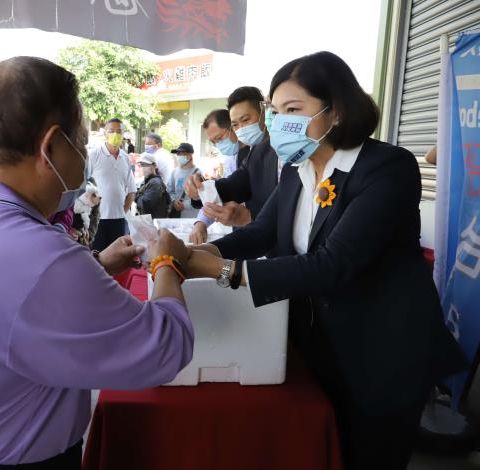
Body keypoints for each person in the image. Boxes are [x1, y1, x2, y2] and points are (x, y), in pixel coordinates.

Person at [183, 51, 465, 470]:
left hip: (383, 355)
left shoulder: (387, 168)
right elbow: (262, 232)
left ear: (337, 110)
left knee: (368, 457)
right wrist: (199, 252)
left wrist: (215, 269)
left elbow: (331, 265)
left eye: (294, 110)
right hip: (319, 346)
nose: (281, 124)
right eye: (275, 112)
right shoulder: (296, 171)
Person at [0, 56, 194, 469]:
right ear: (50, 147)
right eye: (80, 143)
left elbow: (11, 311)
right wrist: (167, 264)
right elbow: (164, 348)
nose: (83, 157)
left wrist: (96, 265)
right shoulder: (40, 254)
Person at [189, 87, 279, 244]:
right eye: (236, 125)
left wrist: (250, 217)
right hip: (256, 241)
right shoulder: (257, 151)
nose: (242, 129)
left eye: (245, 120)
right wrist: (202, 189)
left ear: (264, 113)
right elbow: (235, 185)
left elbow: (288, 207)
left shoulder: (288, 151)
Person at [89, 119, 136, 251]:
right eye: (111, 131)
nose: (115, 134)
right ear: (105, 133)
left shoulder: (125, 158)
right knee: (97, 257)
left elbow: (132, 191)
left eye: (119, 131)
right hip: (98, 220)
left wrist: (122, 212)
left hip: (119, 221)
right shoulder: (94, 155)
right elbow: (83, 187)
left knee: (118, 260)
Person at [203, 109, 246, 178]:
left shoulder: (252, 154)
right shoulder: (230, 156)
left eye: (219, 138)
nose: (217, 144)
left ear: (233, 128)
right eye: (213, 142)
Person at [166, 142, 201, 218]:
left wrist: (184, 205)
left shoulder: (197, 173)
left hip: (191, 215)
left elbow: (201, 197)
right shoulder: (174, 172)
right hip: (176, 214)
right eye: (178, 154)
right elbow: (169, 190)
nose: (179, 156)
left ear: (190, 155)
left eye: (182, 153)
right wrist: (174, 201)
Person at [135, 153, 170, 218]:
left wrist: (136, 196)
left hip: (153, 222)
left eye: (145, 165)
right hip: (149, 220)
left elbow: (144, 203)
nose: (143, 167)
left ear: (154, 166)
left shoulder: (155, 182)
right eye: (141, 165)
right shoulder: (148, 180)